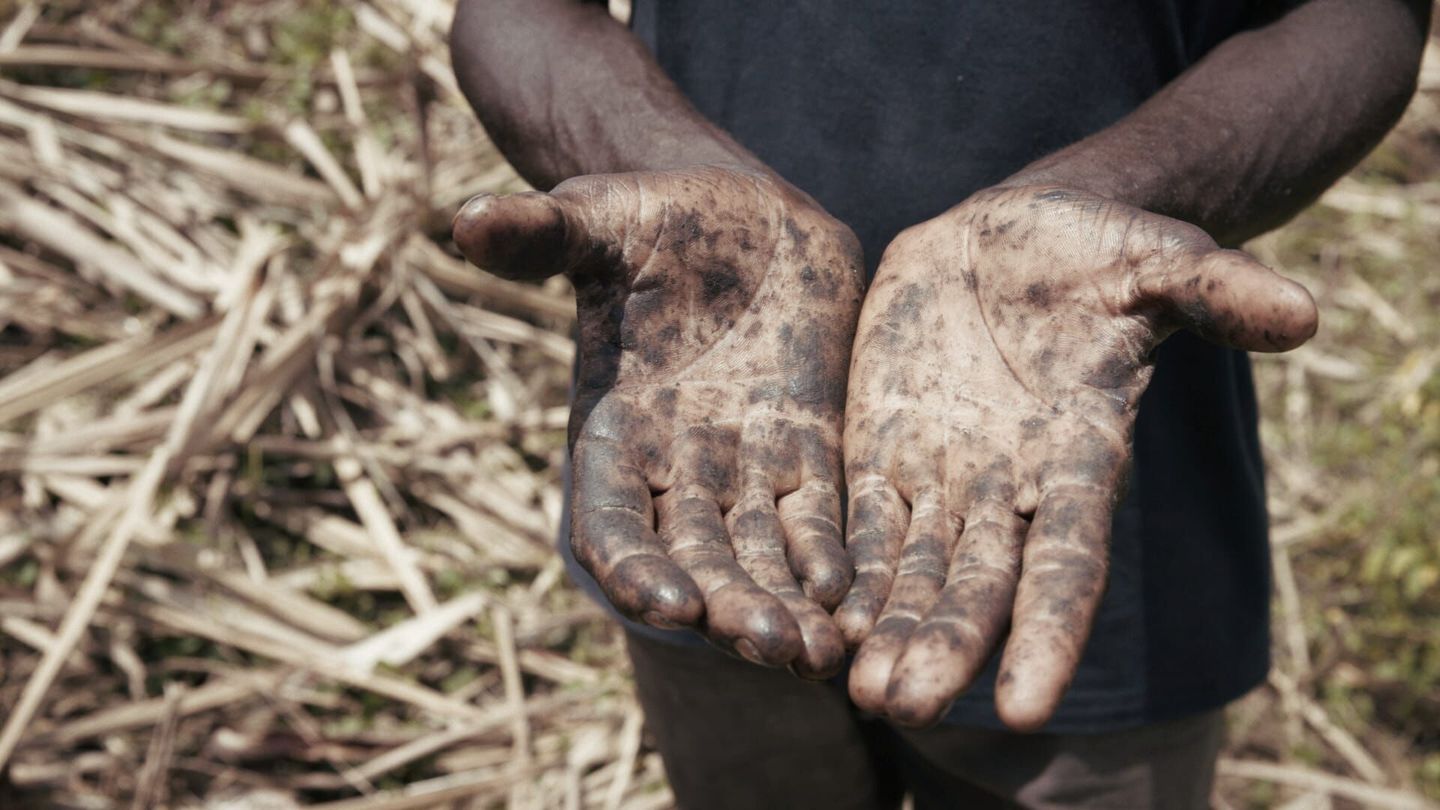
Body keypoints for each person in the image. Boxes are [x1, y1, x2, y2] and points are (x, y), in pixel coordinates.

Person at [447, 1, 1430, 807]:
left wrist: (1104, 200)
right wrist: (666, 165)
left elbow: (1356, 15)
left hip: (1073, 477)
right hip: (703, 463)